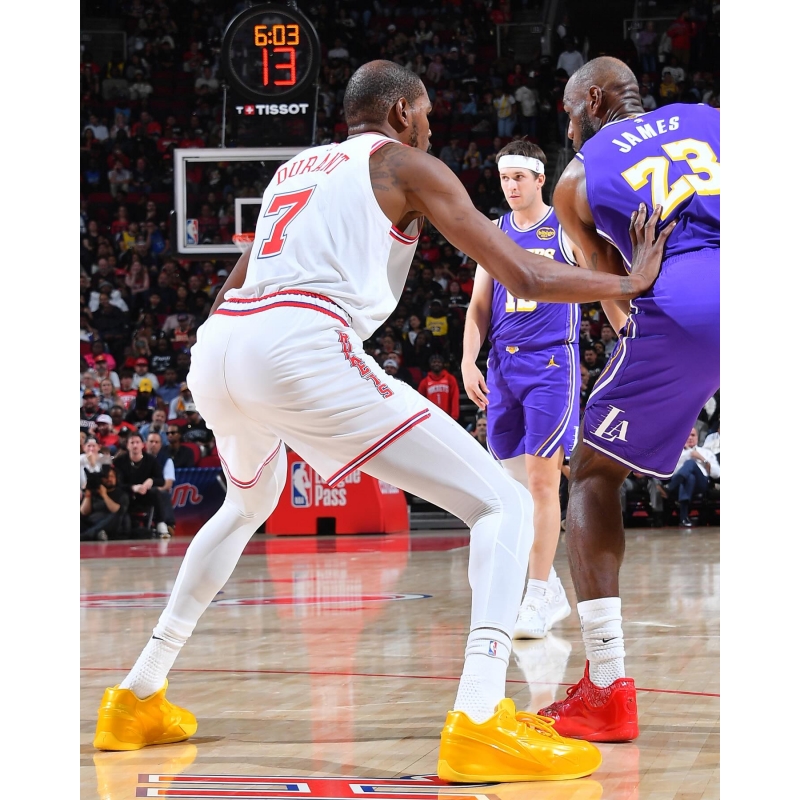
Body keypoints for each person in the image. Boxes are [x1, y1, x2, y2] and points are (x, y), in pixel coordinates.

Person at [94, 60, 671, 782]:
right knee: (503, 502)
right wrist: (628, 280)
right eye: (424, 114)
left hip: (220, 347)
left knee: (244, 506)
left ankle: (137, 695)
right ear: (400, 112)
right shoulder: (402, 163)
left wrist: (242, 377)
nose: (430, 127)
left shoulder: (292, 172)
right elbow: (523, 274)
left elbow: (231, 288)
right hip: (299, 342)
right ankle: (481, 718)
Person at [536, 57, 718, 743]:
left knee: (592, 473)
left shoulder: (577, 178)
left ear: (593, 99)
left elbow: (617, 294)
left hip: (688, 306)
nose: (568, 126)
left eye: (568, 111)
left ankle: (607, 689)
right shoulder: (711, 118)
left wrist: (666, 372)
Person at [462, 140, 580, 643]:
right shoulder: (495, 232)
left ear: (539, 179)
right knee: (514, 486)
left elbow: (597, 275)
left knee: (541, 484)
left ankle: (535, 595)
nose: (510, 186)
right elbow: (478, 306)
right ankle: (548, 585)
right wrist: (468, 359)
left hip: (551, 363)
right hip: (502, 366)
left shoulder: (565, 229)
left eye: (518, 178)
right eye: (504, 178)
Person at [112, 431, 171, 538]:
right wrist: (133, 488)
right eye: (132, 443)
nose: (135, 445)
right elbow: (117, 484)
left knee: (156, 492)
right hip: (127, 496)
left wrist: (151, 481)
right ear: (127, 445)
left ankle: (161, 523)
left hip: (145, 494)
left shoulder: (151, 460)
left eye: (137, 442)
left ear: (142, 445)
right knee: (121, 494)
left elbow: (161, 480)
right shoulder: (119, 461)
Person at [658, 426, 719, 527]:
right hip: (681, 483)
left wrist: (702, 459)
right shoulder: (676, 454)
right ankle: (684, 518)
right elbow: (672, 472)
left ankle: (669, 488)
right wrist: (689, 453)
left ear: (697, 438)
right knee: (690, 478)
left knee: (691, 463)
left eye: (693, 435)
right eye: (687, 435)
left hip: (702, 483)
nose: (690, 437)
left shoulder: (706, 452)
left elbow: (717, 474)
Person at [80, 464, 130, 541]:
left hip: (111, 524)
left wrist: (104, 495)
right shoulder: (94, 492)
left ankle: (87, 535)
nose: (109, 479)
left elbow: (117, 511)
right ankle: (96, 533)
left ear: (116, 478)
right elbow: (84, 512)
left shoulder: (121, 494)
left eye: (112, 476)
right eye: (106, 477)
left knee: (119, 514)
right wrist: (88, 493)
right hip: (92, 523)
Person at [417, 354, 460, 421]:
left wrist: (454, 416)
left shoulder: (450, 379)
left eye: (439, 362)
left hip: (448, 417)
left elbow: (455, 397)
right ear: (430, 364)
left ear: (442, 364)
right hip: (431, 418)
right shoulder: (424, 382)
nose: (436, 364)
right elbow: (420, 401)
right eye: (434, 362)